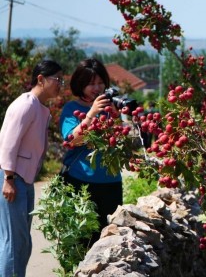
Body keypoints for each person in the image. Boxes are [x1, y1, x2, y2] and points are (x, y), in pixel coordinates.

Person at [0, 60, 63, 277]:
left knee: (22, 241)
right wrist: (8, 178)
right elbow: (8, 142)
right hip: (13, 178)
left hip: (24, 180)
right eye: (57, 79)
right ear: (40, 79)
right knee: (14, 241)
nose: (60, 85)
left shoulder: (40, 108)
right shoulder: (26, 104)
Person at [59, 58, 122, 245]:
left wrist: (117, 117)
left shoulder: (109, 109)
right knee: (82, 240)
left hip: (111, 181)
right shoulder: (72, 109)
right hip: (81, 182)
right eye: (91, 84)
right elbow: (73, 141)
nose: (97, 88)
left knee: (109, 239)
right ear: (80, 85)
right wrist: (91, 114)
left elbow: (121, 141)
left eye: (100, 83)